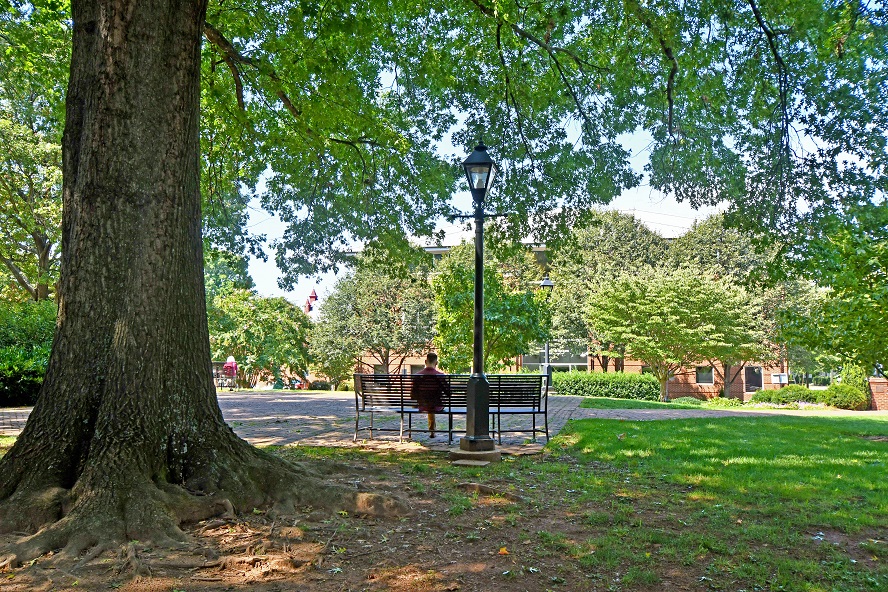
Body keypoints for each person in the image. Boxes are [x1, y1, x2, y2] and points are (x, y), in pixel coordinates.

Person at [411, 352, 449, 438]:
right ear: (436, 363)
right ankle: (432, 431)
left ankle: (432, 431)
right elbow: (448, 393)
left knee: (429, 404)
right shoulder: (440, 376)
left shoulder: (418, 375)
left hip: (422, 405)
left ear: (425, 361)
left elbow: (413, 394)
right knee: (432, 404)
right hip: (437, 406)